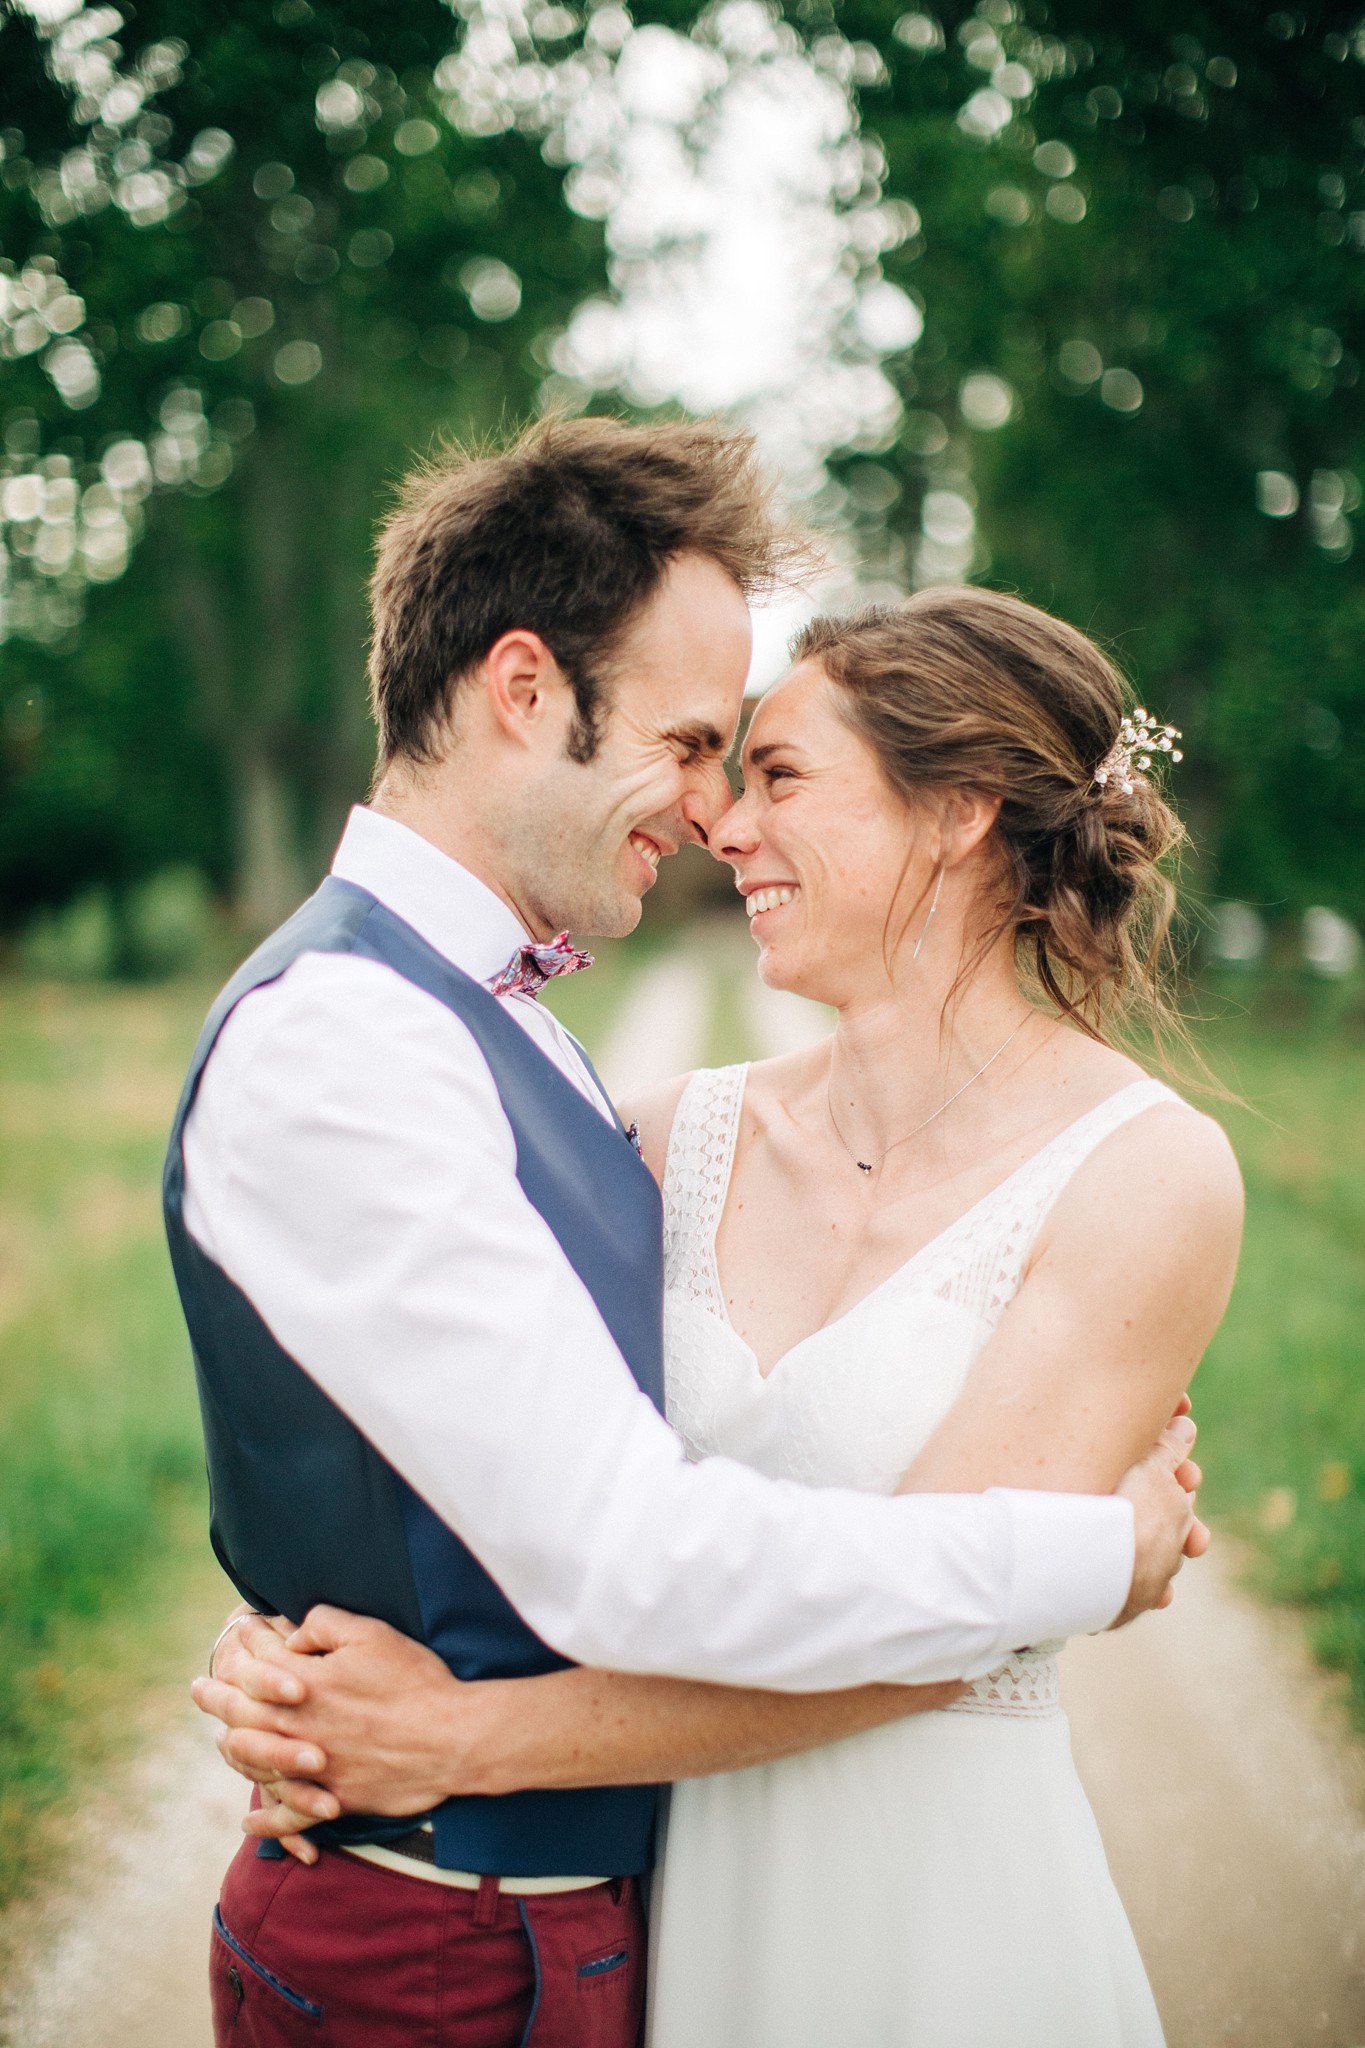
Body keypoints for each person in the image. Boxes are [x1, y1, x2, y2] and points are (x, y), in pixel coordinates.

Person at [175, 423, 1203, 2048]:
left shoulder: (532, 1053)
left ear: (961, 819)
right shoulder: (555, 1099)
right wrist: (1093, 1554)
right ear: (525, 690)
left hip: (868, 1924)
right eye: (696, 743)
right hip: (544, 1927)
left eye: (767, 767)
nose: (717, 815)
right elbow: (605, 1543)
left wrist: (436, 1722)